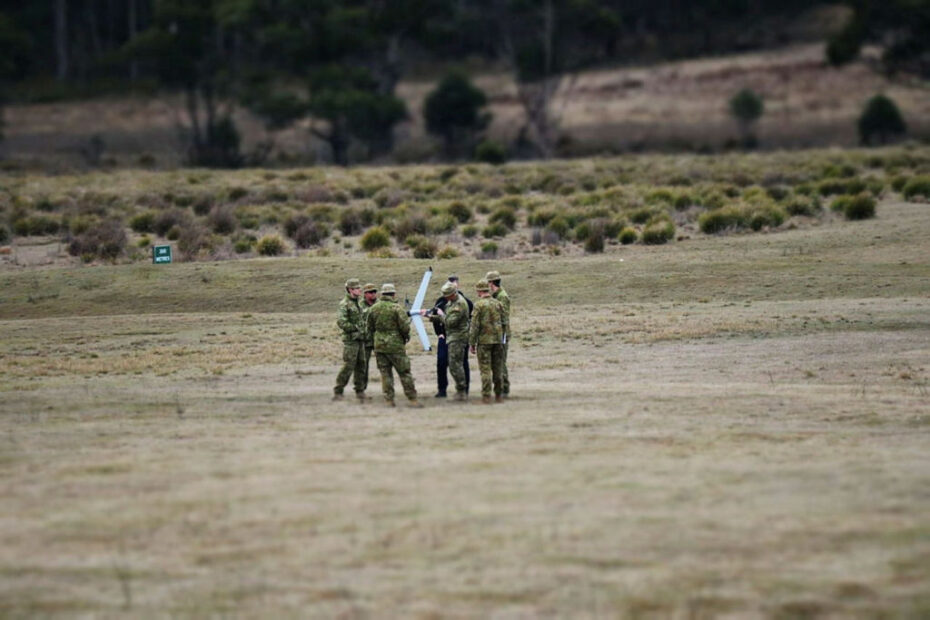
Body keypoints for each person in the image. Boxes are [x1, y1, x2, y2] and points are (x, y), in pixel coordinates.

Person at [366, 283, 422, 408]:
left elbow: (369, 328)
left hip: (379, 345)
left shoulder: (373, 309)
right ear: (393, 294)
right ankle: (412, 399)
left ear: (382, 294)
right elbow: (405, 327)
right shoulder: (397, 308)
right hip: (395, 346)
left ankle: (389, 400)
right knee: (404, 373)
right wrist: (404, 337)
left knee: (385, 374)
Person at [423, 280, 470, 401]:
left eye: (447, 295)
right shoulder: (451, 302)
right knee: (451, 364)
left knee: (456, 365)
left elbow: (450, 322)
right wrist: (431, 317)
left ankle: (462, 391)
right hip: (451, 337)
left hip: (458, 337)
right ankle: (455, 390)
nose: (445, 297)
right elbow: (446, 318)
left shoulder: (459, 304)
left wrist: (440, 315)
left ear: (452, 294)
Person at [468, 279, 507, 404]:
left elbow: (474, 326)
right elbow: (504, 322)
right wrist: (503, 338)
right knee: (498, 369)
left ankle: (486, 396)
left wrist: (472, 343)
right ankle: (499, 395)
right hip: (498, 341)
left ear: (479, 291)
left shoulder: (478, 305)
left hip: (484, 342)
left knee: (485, 370)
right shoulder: (498, 304)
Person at [333, 278, 369, 401]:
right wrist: (356, 328)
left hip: (361, 340)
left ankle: (360, 391)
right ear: (350, 290)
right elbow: (342, 322)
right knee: (349, 365)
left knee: (361, 365)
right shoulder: (344, 304)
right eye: (357, 288)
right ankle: (338, 390)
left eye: (359, 288)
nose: (360, 290)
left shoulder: (359, 303)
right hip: (351, 340)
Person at [486, 270, 512, 397]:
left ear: (492, 283)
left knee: (500, 362)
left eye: (488, 283)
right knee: (497, 362)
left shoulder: (502, 296)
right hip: (496, 333)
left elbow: (503, 317)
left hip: (502, 334)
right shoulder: (496, 296)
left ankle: (504, 388)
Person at [359, 282, 379, 394]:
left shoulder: (380, 304)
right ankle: (361, 389)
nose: (373, 294)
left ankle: (387, 389)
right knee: (363, 366)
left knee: (383, 365)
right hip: (365, 340)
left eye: (374, 292)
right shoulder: (359, 306)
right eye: (370, 292)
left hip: (379, 339)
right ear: (365, 294)